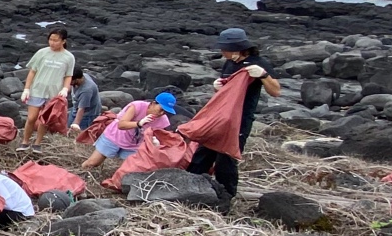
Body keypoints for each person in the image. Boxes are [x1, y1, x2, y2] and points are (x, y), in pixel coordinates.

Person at [186, 28, 280, 196]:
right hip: (221, 117)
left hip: (240, 119)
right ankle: (190, 188)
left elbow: (276, 91)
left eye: (225, 49)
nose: (223, 52)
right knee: (203, 152)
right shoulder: (229, 63)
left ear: (237, 47)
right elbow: (228, 92)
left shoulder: (258, 62)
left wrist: (263, 75)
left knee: (226, 159)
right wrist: (219, 88)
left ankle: (226, 196)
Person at [81, 91, 177, 169]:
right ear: (153, 103)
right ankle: (80, 172)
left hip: (134, 144)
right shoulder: (137, 106)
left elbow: (160, 135)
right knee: (93, 162)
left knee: (130, 169)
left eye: (165, 112)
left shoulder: (163, 121)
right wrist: (139, 123)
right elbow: (121, 124)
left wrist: (155, 142)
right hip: (115, 136)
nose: (162, 113)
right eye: (161, 109)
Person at [18, 26, 76, 153]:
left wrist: (65, 89)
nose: (52, 43)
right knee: (32, 118)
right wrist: (26, 89)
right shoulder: (42, 53)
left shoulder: (69, 57)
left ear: (63, 41)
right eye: (51, 39)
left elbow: (68, 75)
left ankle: (37, 143)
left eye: (56, 40)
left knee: (44, 120)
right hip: (37, 89)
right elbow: (32, 71)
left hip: (53, 93)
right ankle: (25, 141)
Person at [68, 67, 102, 134]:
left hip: (87, 114)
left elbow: (81, 109)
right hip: (76, 107)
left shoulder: (86, 90)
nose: (69, 82)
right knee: (68, 127)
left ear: (77, 80)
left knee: (78, 134)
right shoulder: (83, 75)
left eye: (70, 81)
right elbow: (69, 86)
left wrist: (75, 125)